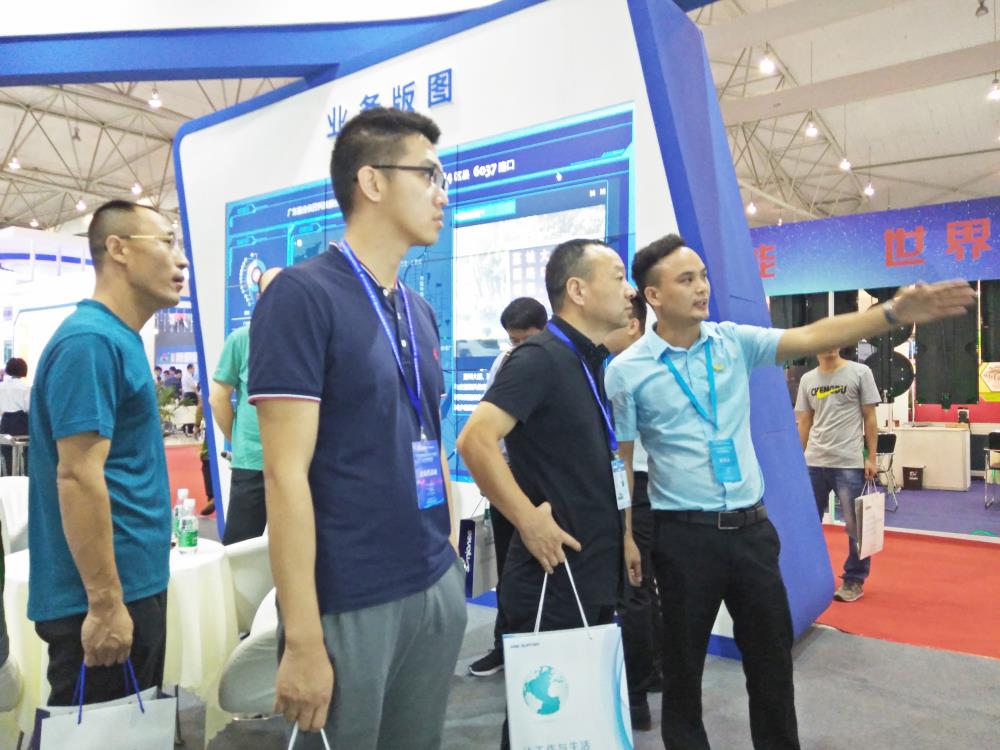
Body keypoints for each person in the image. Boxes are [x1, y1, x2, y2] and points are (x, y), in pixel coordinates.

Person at [605, 234, 975, 750]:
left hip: (751, 533)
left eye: (703, 276)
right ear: (654, 295)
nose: (702, 288)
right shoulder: (627, 371)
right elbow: (622, 460)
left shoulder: (732, 342)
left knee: (772, 667)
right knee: (683, 672)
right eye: (686, 280)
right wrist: (626, 533)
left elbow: (811, 335)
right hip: (683, 538)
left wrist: (891, 313)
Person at [247, 107, 466, 750]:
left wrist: (449, 551)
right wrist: (302, 638)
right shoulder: (301, 296)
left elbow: (428, 435)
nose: (442, 193)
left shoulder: (417, 309)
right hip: (350, 596)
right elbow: (284, 475)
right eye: (428, 175)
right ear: (371, 181)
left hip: (431, 579)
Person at [457, 238, 635, 750]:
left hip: (588, 570)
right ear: (577, 290)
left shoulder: (584, 360)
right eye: (618, 277)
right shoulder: (539, 358)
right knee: (541, 727)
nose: (629, 291)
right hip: (553, 579)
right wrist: (527, 520)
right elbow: (475, 440)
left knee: (574, 722)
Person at [27, 199, 187, 705]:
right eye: (167, 242)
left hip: (131, 584)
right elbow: (77, 475)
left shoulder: (118, 339)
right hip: (100, 599)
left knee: (128, 730)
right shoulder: (90, 343)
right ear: (118, 249)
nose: (180, 260)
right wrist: (105, 603)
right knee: (97, 731)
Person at [467, 296, 547, 678]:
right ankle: (505, 646)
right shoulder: (503, 365)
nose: (517, 348)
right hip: (508, 482)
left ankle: (545, 651)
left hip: (545, 488)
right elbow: (489, 432)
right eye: (512, 340)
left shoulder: (558, 363)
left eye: (524, 340)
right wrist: (493, 478)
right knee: (508, 572)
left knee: (544, 572)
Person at [603, 293, 662, 731]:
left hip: (636, 487)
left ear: (634, 325)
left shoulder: (622, 369)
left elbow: (622, 455)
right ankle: (653, 673)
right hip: (660, 488)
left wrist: (623, 525)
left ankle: (637, 697)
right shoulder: (659, 363)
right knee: (649, 587)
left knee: (635, 587)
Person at [795, 347, 880, 602]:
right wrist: (797, 460)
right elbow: (805, 421)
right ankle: (807, 576)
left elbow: (870, 417)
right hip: (814, 462)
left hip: (849, 463)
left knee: (856, 528)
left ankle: (854, 580)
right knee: (807, 524)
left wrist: (871, 457)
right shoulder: (807, 379)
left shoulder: (860, 372)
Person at [208, 267, 281, 542]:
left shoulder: (308, 340)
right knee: (240, 548)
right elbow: (218, 397)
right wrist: (238, 440)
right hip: (252, 463)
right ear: (259, 297)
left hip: (300, 464)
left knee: (298, 547)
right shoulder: (241, 339)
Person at [0, 357, 31, 474]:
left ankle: (7, 476)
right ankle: (24, 476)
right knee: (26, 454)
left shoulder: (1, 387)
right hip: (22, 425)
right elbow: (29, 408)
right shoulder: (26, 388)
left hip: (5, 424)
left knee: (6, 454)